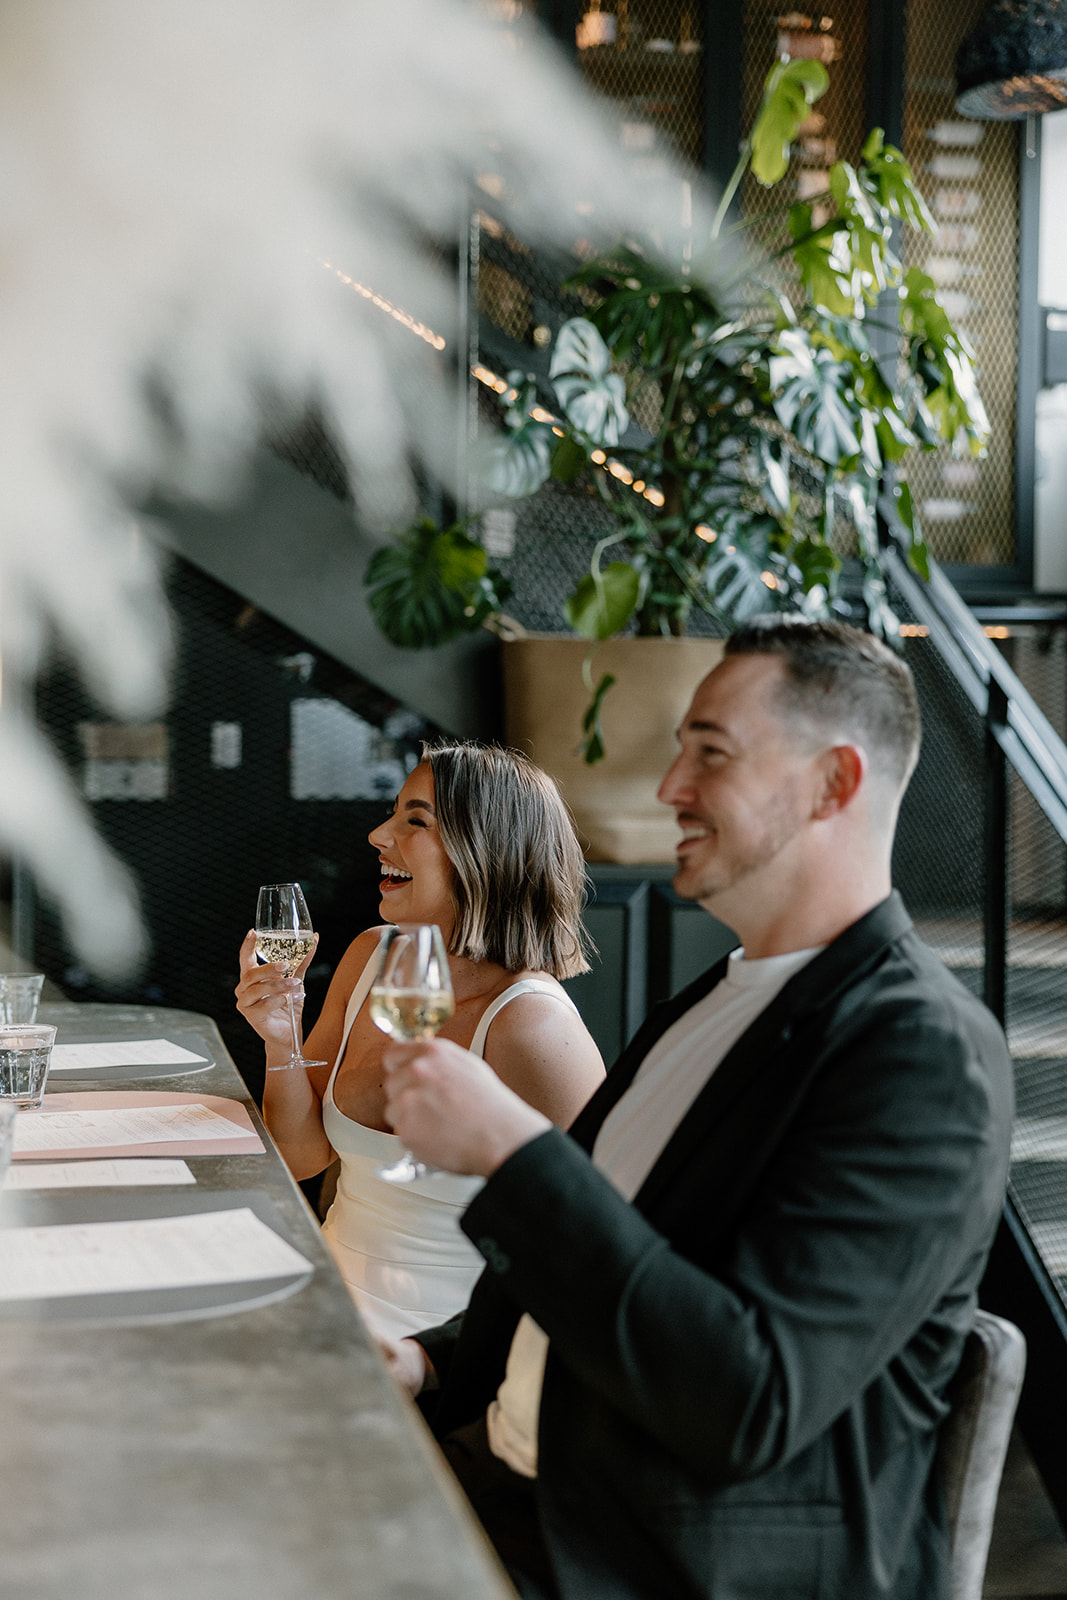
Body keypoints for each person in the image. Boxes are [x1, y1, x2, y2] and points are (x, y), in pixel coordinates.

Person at [378, 618, 1014, 1600]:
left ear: (832, 783)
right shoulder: (712, 1000)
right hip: (503, 1494)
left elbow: (745, 1397)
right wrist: (429, 1361)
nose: (668, 786)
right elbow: (602, 1262)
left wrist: (511, 1151)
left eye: (707, 753)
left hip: (647, 1563)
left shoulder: (923, 1053)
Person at [235, 740, 605, 1342]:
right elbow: (301, 1158)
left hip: (434, 1351)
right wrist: (282, 1041)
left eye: (415, 821)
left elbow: (592, 1247)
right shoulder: (371, 956)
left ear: (484, 851)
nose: (380, 836)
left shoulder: (531, 1026)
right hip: (323, 1304)